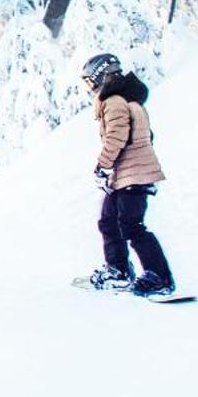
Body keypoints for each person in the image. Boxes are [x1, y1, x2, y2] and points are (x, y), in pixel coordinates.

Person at [81, 52, 176, 296]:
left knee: (131, 226)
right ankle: (118, 270)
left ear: (101, 76)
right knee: (109, 221)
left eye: (90, 81)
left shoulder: (114, 101)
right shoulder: (129, 101)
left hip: (132, 176)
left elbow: (116, 137)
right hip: (127, 175)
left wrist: (102, 166)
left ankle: (160, 277)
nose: (90, 88)